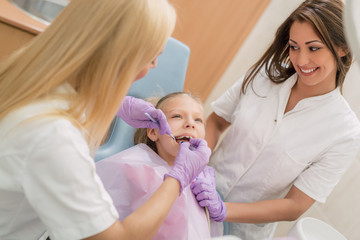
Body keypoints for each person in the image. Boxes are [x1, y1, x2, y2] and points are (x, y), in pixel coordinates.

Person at [0, 0, 210, 239]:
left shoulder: (29, 74)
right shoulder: (54, 136)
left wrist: (115, 105)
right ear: (120, 57)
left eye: (198, 119)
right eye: (152, 58)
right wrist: (178, 179)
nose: (153, 67)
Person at [191, 0, 360, 239]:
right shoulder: (266, 73)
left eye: (313, 48)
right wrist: (194, 167)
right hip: (196, 194)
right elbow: (217, 121)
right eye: (294, 46)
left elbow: (294, 205)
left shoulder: (345, 133)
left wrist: (223, 210)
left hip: (240, 232)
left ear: (343, 47)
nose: (301, 61)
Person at [96, 92, 211, 240]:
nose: (191, 123)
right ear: (153, 132)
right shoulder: (138, 170)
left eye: (198, 119)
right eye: (177, 116)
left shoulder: (203, 182)